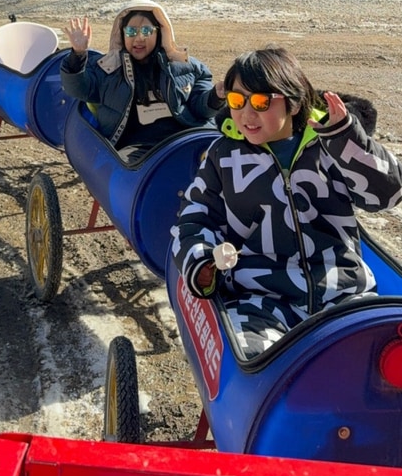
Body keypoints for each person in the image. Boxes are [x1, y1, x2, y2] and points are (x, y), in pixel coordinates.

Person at [171, 45, 402, 360]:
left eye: (261, 101)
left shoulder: (330, 143)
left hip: (343, 293)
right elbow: (195, 217)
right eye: (237, 100)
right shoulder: (222, 156)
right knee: (256, 370)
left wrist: (346, 138)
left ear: (293, 103)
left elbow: (386, 194)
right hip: (259, 301)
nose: (246, 114)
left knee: (374, 367)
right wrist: (201, 262)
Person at [60, 0, 226, 161]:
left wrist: (215, 97)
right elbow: (77, 88)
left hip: (186, 137)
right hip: (138, 150)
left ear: (159, 32)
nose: (139, 38)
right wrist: (78, 55)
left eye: (146, 31)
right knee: (122, 178)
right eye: (131, 32)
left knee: (225, 158)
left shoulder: (187, 67)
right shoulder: (107, 70)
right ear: (122, 33)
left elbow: (201, 110)